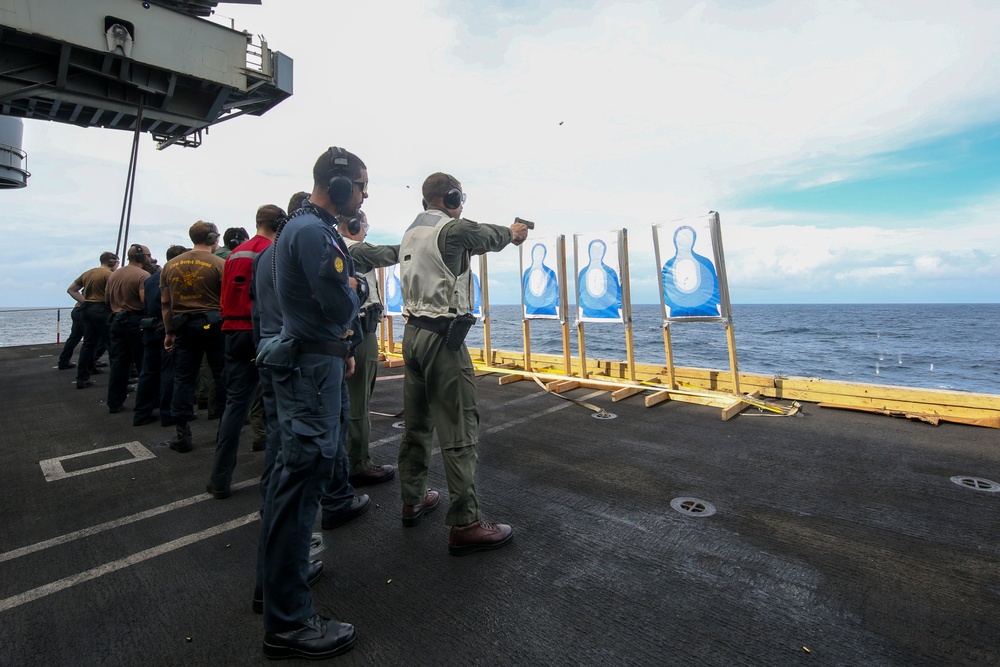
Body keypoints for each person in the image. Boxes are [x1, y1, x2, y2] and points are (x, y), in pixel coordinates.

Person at [257, 148, 368, 660]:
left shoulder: (297, 229)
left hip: (309, 362)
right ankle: (290, 621)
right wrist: (353, 283)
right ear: (342, 188)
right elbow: (341, 302)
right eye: (361, 187)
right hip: (311, 375)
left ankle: (276, 586)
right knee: (302, 486)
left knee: (289, 480)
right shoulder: (313, 232)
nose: (364, 197)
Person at [397, 172, 528, 556]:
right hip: (442, 339)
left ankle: (413, 498)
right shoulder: (452, 229)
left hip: (412, 336)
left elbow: (463, 250)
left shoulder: (412, 232)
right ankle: (466, 522)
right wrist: (514, 231)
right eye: (460, 196)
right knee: (460, 428)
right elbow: (487, 235)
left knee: (418, 424)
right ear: (451, 196)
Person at [206, 205, 283, 499]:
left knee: (235, 407)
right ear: (279, 223)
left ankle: (219, 477)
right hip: (260, 332)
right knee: (273, 406)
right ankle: (273, 482)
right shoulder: (271, 251)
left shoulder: (234, 255)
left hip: (231, 332)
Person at [336, 210, 398, 486]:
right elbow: (388, 253)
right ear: (352, 224)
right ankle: (357, 464)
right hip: (360, 330)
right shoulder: (353, 249)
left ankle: (343, 459)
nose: (366, 231)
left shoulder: (332, 244)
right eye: (364, 226)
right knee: (358, 401)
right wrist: (424, 243)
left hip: (347, 330)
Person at [159, 222, 226, 453]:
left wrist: (169, 332)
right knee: (221, 374)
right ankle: (223, 430)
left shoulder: (170, 265)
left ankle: (182, 433)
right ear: (211, 238)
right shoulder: (220, 264)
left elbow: (166, 303)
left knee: (184, 378)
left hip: (183, 326)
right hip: (214, 325)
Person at [133, 245, 188, 427]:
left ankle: (141, 413)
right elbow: (169, 305)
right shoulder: (175, 278)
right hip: (167, 327)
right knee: (170, 371)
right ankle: (168, 413)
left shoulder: (150, 280)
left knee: (148, 372)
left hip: (150, 327)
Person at [105, 244, 154, 413]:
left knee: (119, 364)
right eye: (148, 255)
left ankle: (114, 403)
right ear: (142, 257)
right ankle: (144, 406)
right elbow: (144, 301)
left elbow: (107, 299)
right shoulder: (143, 275)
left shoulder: (114, 275)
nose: (150, 258)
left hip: (116, 320)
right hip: (135, 321)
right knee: (144, 364)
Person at [68, 251, 118, 389]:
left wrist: (84, 302)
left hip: (87, 310)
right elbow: (114, 294)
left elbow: (71, 290)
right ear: (112, 262)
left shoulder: (88, 273)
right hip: (102, 310)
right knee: (112, 344)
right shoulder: (109, 275)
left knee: (88, 344)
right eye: (117, 263)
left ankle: (82, 378)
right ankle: (119, 381)